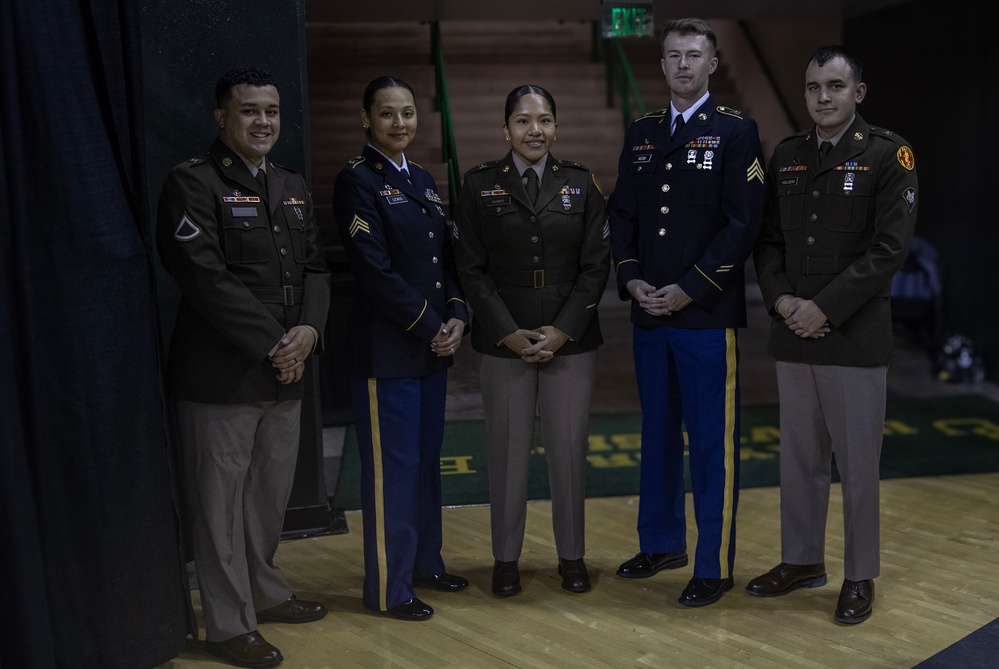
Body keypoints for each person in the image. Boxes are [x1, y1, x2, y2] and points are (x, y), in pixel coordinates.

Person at [156, 67, 331, 669]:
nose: (263, 122)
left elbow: (315, 269)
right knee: (219, 506)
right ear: (221, 118)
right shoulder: (192, 184)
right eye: (250, 111)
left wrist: (307, 332)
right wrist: (277, 342)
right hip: (221, 377)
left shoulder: (291, 183)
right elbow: (204, 277)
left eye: (272, 111)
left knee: (266, 501)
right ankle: (228, 626)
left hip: (287, 370)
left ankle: (266, 592)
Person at [747, 45, 918, 625]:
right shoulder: (790, 155)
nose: (824, 96)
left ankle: (859, 574)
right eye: (815, 87)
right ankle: (801, 561)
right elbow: (768, 242)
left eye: (836, 86)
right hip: (794, 331)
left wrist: (824, 307)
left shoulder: (888, 154)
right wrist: (783, 300)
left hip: (853, 336)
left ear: (858, 93)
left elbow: (889, 252)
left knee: (857, 464)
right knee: (798, 458)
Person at [606, 17, 765, 607]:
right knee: (656, 437)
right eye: (673, 55)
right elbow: (622, 214)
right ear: (663, 63)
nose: (682, 65)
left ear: (712, 64)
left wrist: (691, 288)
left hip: (704, 316)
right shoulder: (642, 132)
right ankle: (662, 542)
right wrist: (630, 278)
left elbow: (744, 224)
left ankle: (713, 564)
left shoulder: (736, 132)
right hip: (649, 313)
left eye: (693, 55)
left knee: (709, 443)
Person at [453, 85, 610, 597]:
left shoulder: (581, 183)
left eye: (544, 120)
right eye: (523, 121)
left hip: (572, 341)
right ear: (506, 129)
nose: (534, 130)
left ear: (556, 127)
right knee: (506, 453)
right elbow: (471, 272)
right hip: (505, 341)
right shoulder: (478, 185)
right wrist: (508, 331)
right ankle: (505, 559)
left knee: (568, 451)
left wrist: (562, 331)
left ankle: (572, 556)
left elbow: (595, 267)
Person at [332, 76, 469, 622]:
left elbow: (445, 262)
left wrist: (458, 315)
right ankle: (391, 588)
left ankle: (426, 564)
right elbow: (373, 271)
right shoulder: (357, 181)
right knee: (393, 470)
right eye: (387, 114)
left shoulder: (426, 179)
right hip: (388, 352)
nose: (399, 123)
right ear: (366, 119)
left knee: (426, 465)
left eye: (408, 113)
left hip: (430, 349)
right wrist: (431, 323)